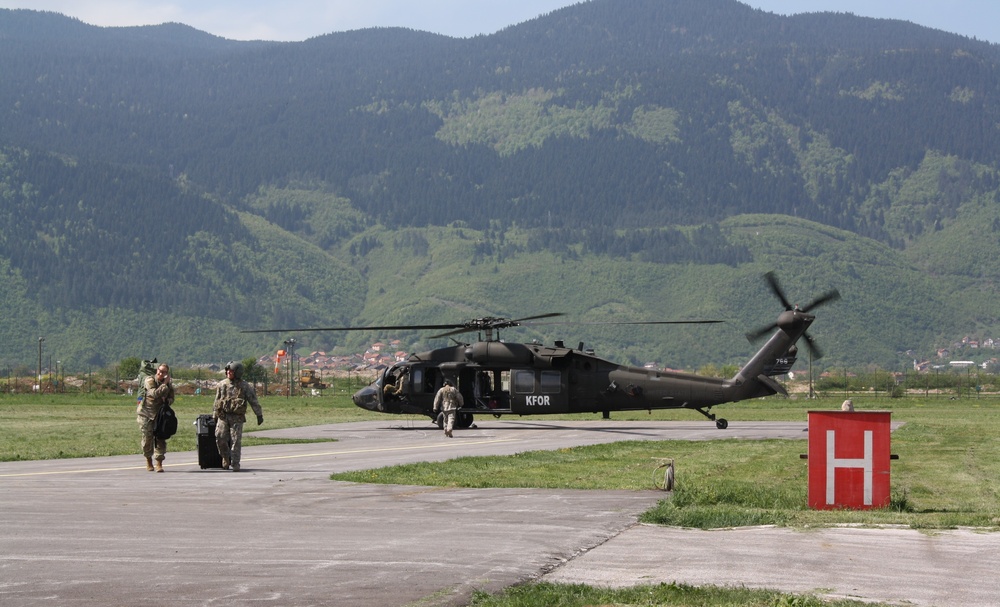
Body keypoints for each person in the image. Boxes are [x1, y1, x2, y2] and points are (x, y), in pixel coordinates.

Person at [213, 360, 264, 472]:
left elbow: (253, 401)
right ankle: (225, 457)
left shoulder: (245, 386)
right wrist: (214, 415)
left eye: (231, 371)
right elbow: (217, 400)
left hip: (237, 417)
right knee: (220, 438)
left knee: (236, 441)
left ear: (237, 372)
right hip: (223, 416)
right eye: (228, 371)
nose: (228, 373)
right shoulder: (222, 385)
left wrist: (259, 414)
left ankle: (235, 463)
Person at [136, 363, 174, 472]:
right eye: (160, 371)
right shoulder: (149, 380)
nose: (161, 373)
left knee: (160, 438)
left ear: (167, 373)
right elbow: (154, 393)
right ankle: (148, 460)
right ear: (157, 370)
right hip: (146, 414)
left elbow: (172, 397)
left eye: (164, 372)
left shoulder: (168, 385)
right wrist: (164, 384)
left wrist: (167, 401)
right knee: (147, 438)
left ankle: (159, 463)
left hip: (159, 416)